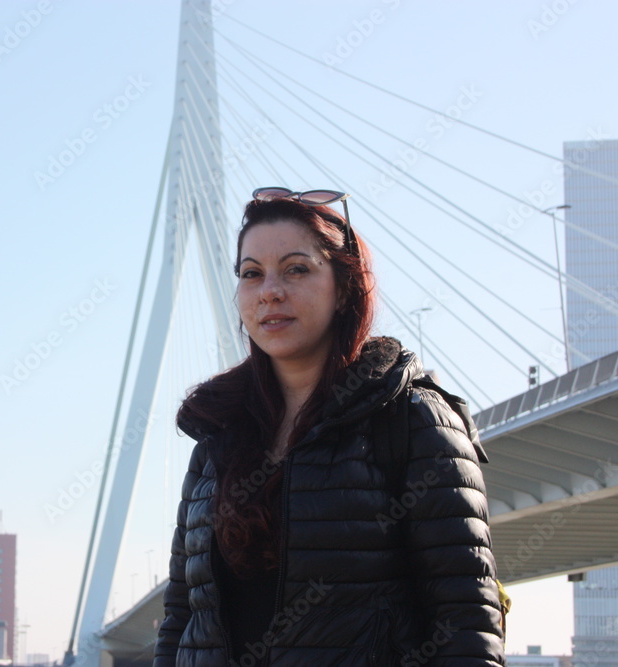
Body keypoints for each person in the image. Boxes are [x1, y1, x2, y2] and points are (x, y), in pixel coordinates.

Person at [152, 188, 505, 667]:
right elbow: (182, 616)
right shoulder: (218, 437)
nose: (270, 291)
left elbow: (465, 622)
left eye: (296, 269)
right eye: (251, 274)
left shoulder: (411, 419)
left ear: (344, 289)